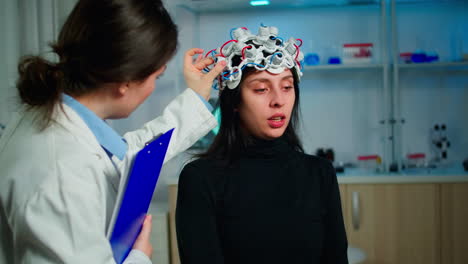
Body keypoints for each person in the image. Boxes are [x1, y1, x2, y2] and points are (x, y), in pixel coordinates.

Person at [0, 0, 226, 263]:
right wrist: (139, 257)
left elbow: (128, 154)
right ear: (126, 81)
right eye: (157, 77)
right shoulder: (60, 169)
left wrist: (197, 97)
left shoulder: (54, 118)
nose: (153, 86)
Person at [175, 25, 348, 264]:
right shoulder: (200, 179)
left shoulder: (320, 173)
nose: (278, 100)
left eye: (287, 87)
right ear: (234, 102)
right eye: (261, 89)